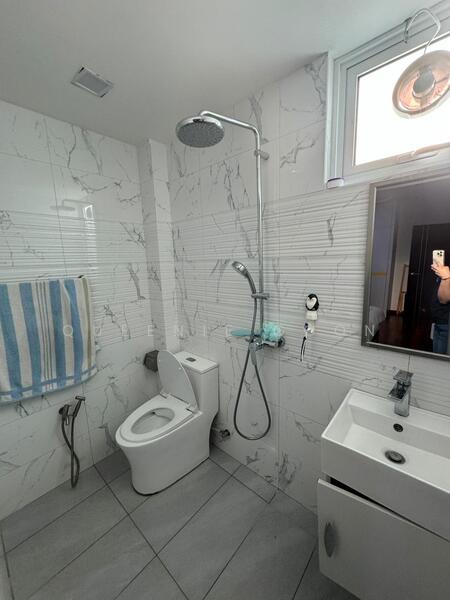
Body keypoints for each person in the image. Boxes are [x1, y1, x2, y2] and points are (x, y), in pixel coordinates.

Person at [430, 262, 450, 353]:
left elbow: (443, 299)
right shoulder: (443, 272)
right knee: (436, 356)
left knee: (440, 358)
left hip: (445, 323)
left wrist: (446, 278)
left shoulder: (446, 274)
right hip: (438, 321)